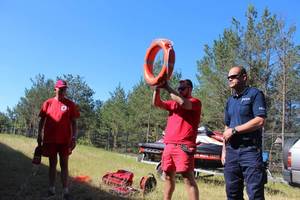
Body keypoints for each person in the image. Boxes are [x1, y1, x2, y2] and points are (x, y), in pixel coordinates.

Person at [222, 66, 267, 200]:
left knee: (255, 194)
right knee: (232, 193)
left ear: (244, 77)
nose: (230, 79)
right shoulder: (230, 101)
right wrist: (223, 150)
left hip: (250, 151)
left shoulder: (255, 94)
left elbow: (259, 120)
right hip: (231, 152)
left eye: (234, 76)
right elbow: (227, 126)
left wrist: (235, 130)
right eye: (228, 77)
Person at [153, 79, 201, 200]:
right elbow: (157, 103)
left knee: (188, 178)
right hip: (169, 145)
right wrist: (157, 88)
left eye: (182, 88)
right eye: (178, 88)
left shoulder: (195, 102)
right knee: (168, 177)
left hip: (184, 146)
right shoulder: (173, 103)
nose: (179, 90)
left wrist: (167, 87)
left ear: (190, 89)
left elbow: (184, 104)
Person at [37, 80, 80, 200]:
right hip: (50, 140)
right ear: (55, 89)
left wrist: (74, 137)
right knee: (52, 164)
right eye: (60, 89)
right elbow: (42, 120)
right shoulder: (48, 103)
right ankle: (51, 189)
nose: (62, 91)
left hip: (65, 140)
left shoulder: (70, 104)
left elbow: (74, 123)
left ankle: (65, 191)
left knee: (64, 165)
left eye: (64, 89)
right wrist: (39, 134)